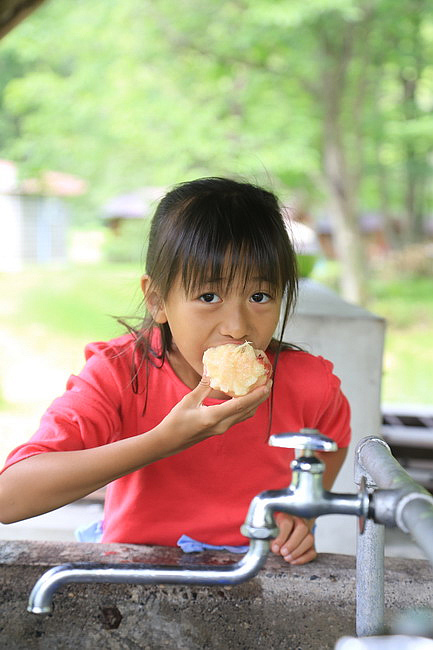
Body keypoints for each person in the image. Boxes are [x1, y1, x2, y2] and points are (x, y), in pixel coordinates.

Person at [0, 177, 350, 565]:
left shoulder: (309, 383)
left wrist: (300, 512)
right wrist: (165, 440)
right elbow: (10, 498)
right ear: (157, 300)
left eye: (259, 296)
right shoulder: (118, 376)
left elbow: (332, 441)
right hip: (133, 574)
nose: (237, 325)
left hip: (256, 577)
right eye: (208, 296)